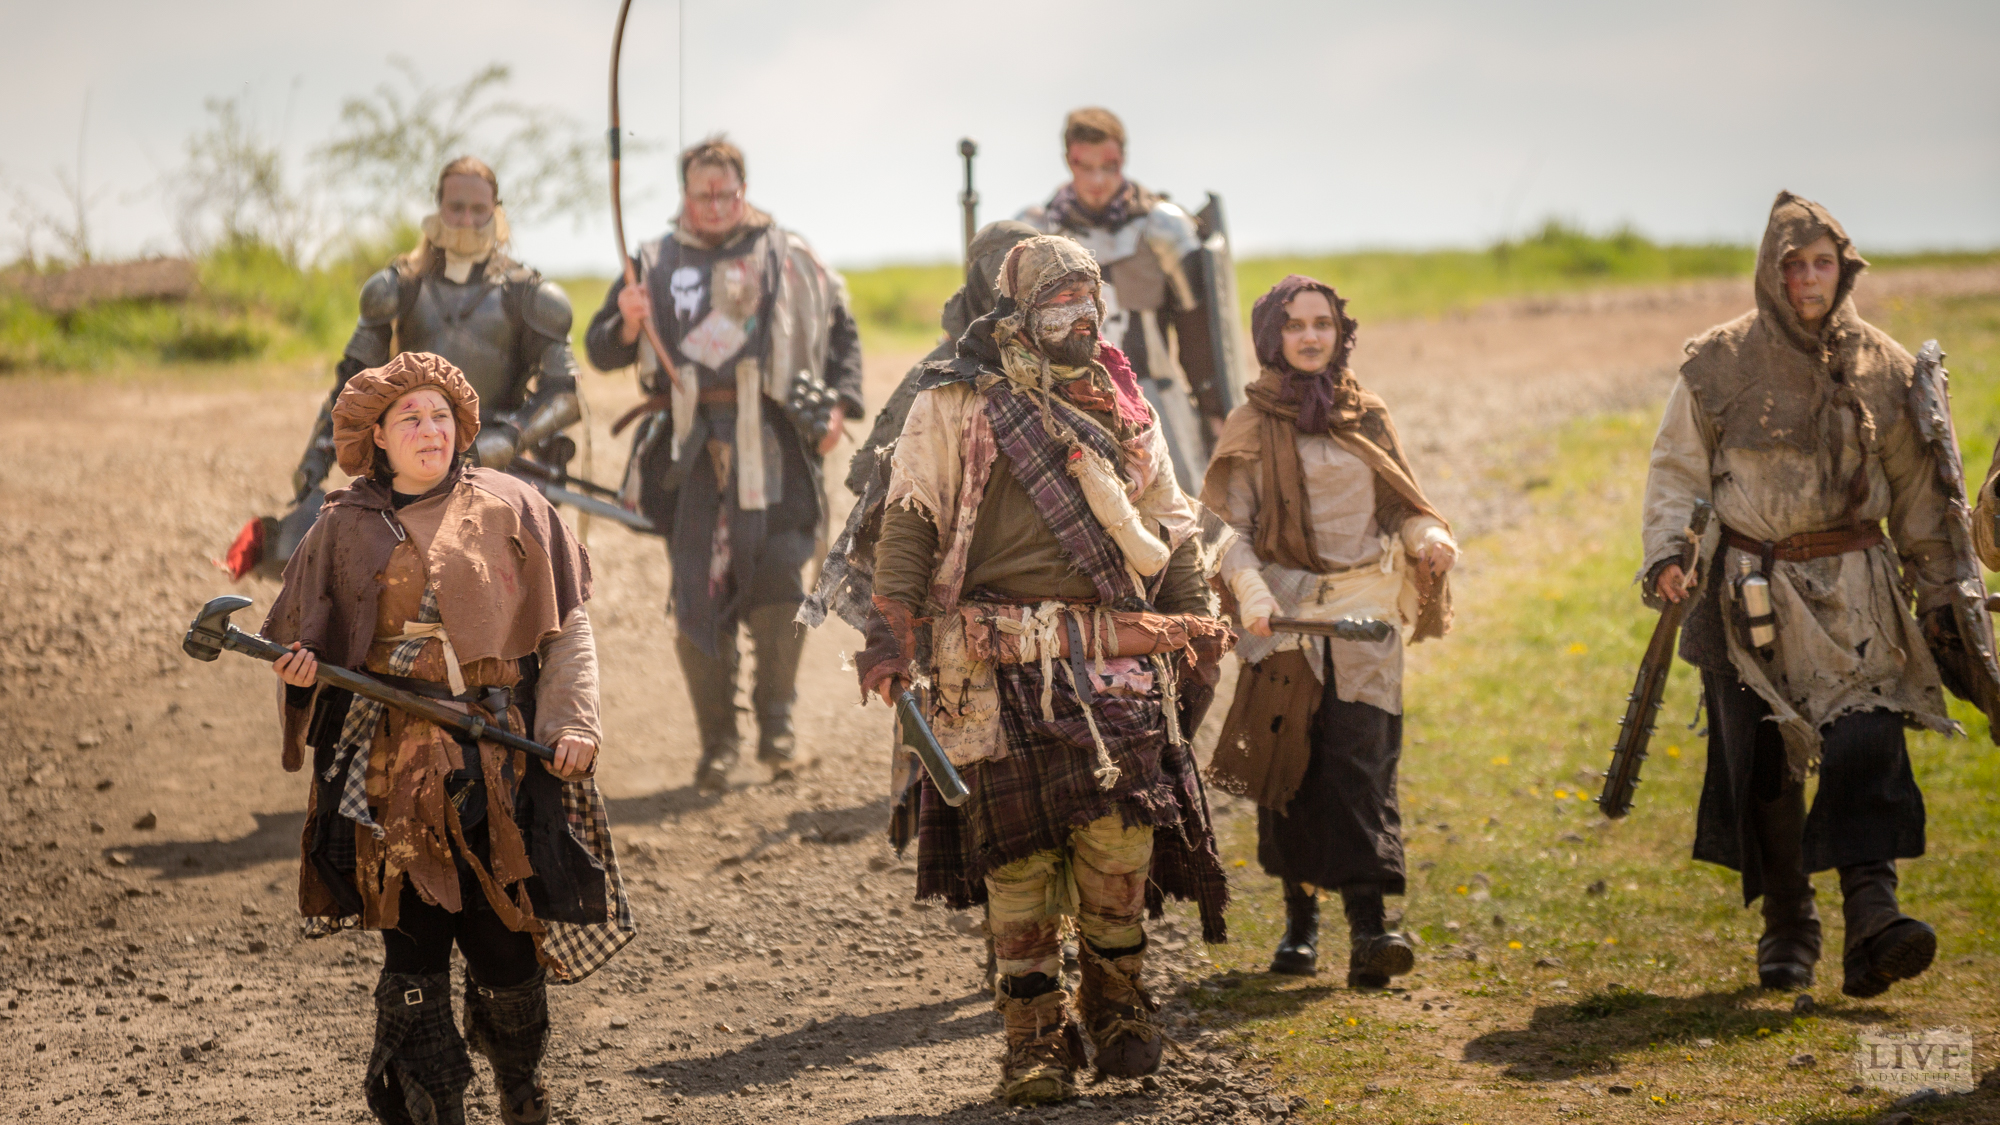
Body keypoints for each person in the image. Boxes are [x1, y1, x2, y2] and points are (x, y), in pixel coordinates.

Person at [856, 235, 1230, 1105]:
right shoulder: (954, 398)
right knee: (1018, 867)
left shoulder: (1123, 400)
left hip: (1115, 655)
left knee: (1120, 844)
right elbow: (911, 517)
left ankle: (1118, 1006)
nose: (1079, 316)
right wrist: (891, 635)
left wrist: (1195, 621)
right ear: (1021, 312)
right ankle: (1034, 1040)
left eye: (1088, 299)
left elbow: (1170, 523)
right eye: (1059, 301)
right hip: (991, 660)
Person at [264, 351, 632, 1125]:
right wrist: (300, 676)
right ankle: (431, 1107)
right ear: (377, 437)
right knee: (413, 952)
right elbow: (307, 649)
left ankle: (519, 1083)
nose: (431, 430)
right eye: (411, 419)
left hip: (502, 764)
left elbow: (567, 629)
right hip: (389, 776)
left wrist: (572, 721)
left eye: (441, 416)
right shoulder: (339, 529)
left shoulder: (512, 505)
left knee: (505, 946)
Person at [1641, 191, 1960, 998]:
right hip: (1747, 587)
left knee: (1867, 741)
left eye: (1824, 263)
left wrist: (1939, 593)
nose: (1810, 278)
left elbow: (1921, 496)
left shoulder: (1885, 367)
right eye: (1795, 264)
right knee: (1765, 764)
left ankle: (1873, 917)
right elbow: (1676, 469)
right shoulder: (1718, 362)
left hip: (1856, 590)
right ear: (1770, 270)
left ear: (1843, 270)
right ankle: (1788, 923)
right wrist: (1669, 553)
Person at [586, 135, 864, 793]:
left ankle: (778, 728)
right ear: (685, 194)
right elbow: (600, 350)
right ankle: (718, 745)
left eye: (726, 193)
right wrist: (627, 323)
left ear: (743, 190)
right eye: (702, 194)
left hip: (777, 445)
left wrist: (838, 407)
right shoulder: (651, 260)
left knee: (780, 582)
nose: (714, 204)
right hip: (687, 450)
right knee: (696, 593)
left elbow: (842, 336)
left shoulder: (790, 255)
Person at [1201, 275, 1455, 987]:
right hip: (1283, 614)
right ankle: (1300, 924)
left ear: (1341, 333)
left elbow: (1399, 506)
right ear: (1271, 337)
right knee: (1292, 769)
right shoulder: (1250, 423)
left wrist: (1429, 536)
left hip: (1365, 614)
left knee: (1361, 764)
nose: (1311, 336)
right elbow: (1230, 533)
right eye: (1295, 325)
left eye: (1322, 324)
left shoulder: (1365, 414)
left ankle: (1371, 930)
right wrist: (1252, 591)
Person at [293, 157, 583, 500]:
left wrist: (509, 438)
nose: (467, 220)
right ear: (439, 208)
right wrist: (317, 455)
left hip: (499, 463)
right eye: (456, 208)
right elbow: (352, 382)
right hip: (413, 454)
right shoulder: (396, 287)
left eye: (478, 209)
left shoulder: (529, 294)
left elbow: (564, 394)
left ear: (495, 212)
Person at [1018, 107, 1231, 485]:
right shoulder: (1037, 230)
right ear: (1069, 160)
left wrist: (1213, 407)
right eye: (1085, 166)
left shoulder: (1162, 225)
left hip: (1152, 395)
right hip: (1066, 396)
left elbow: (1198, 329)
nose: (1097, 180)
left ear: (1124, 159)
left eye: (1109, 166)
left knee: (1179, 502)